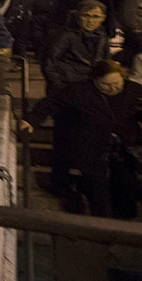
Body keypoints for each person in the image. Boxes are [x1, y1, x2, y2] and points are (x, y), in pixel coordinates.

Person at [24, 60, 141, 219]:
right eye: (106, 84)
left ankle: (124, 219)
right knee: (98, 187)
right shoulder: (78, 91)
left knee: (125, 183)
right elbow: (51, 103)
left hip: (123, 147)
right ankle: (102, 224)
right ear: (95, 80)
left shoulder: (133, 90)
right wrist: (31, 120)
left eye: (117, 83)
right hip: (92, 147)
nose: (113, 88)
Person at [45, 0, 110, 94]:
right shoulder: (65, 35)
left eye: (96, 17)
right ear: (78, 15)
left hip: (91, 86)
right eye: (86, 15)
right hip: (68, 85)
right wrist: (60, 86)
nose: (90, 21)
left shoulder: (102, 35)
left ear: (103, 18)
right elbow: (49, 63)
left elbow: (105, 61)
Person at [116, 0, 142, 68]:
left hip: (133, 31)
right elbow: (129, 15)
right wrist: (134, 29)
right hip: (135, 32)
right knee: (134, 56)